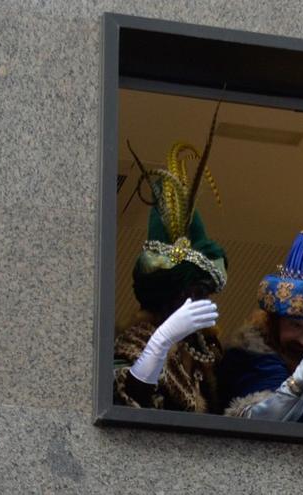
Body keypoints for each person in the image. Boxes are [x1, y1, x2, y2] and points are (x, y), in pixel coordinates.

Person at [113, 139, 227, 413]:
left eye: (207, 293)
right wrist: (160, 343)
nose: (203, 301)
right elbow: (126, 397)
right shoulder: (137, 341)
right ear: (169, 294)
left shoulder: (209, 351)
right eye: (196, 292)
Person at [218, 229, 303, 424]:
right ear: (274, 321)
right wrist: (298, 384)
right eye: (295, 325)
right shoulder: (251, 360)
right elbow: (258, 423)